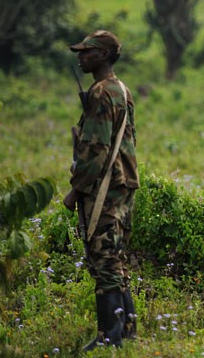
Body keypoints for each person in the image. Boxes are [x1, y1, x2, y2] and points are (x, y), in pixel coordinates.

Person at [63, 30, 139, 350]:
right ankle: (128, 330)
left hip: (104, 188)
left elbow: (95, 150)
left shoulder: (99, 93)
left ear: (105, 55)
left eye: (88, 52)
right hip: (124, 184)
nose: (81, 57)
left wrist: (75, 191)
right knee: (116, 257)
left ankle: (111, 337)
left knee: (104, 260)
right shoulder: (122, 89)